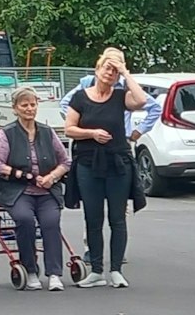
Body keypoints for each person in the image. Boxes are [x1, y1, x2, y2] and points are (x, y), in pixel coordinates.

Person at [62, 49, 152, 287]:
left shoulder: (120, 96)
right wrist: (91, 133)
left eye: (114, 71)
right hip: (88, 163)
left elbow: (142, 100)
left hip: (117, 162)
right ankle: (97, 271)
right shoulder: (80, 97)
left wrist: (125, 72)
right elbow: (69, 128)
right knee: (93, 217)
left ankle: (116, 271)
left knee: (117, 218)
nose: (109, 73)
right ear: (97, 69)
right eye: (107, 68)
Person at [0, 86, 72, 292]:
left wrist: (52, 177)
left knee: (51, 222)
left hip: (47, 191)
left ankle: (54, 274)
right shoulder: (7, 133)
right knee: (24, 219)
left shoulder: (47, 132)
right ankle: (31, 270)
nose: (29, 109)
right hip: (18, 191)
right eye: (24, 105)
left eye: (32, 104)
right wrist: (24, 175)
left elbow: (65, 161)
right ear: (15, 108)